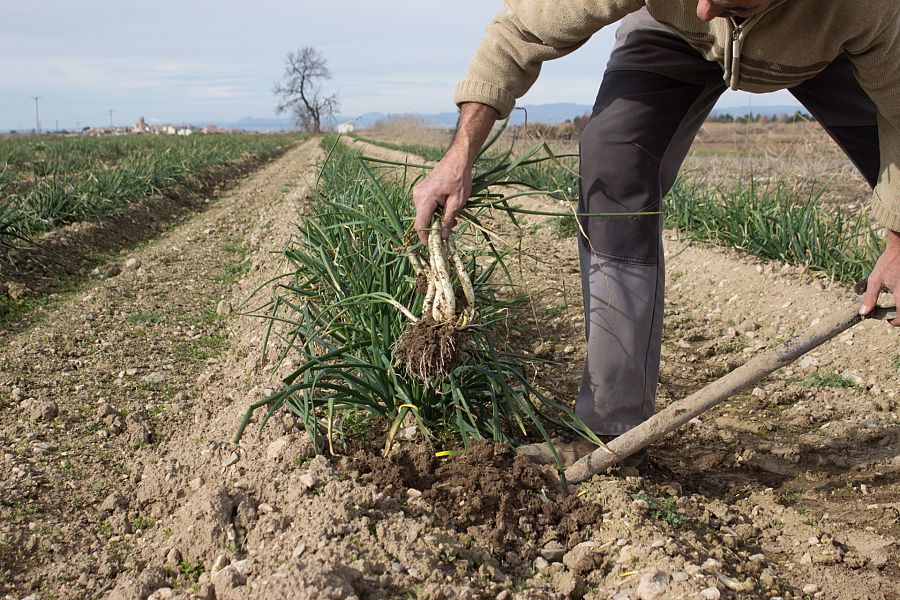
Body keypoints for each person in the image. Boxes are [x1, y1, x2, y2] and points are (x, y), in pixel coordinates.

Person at [412, 0, 900, 469]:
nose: (707, 8)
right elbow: (520, 28)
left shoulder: (864, 8)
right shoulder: (694, 10)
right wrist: (460, 154)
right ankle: (611, 430)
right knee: (612, 159)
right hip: (673, 34)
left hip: (827, 50)